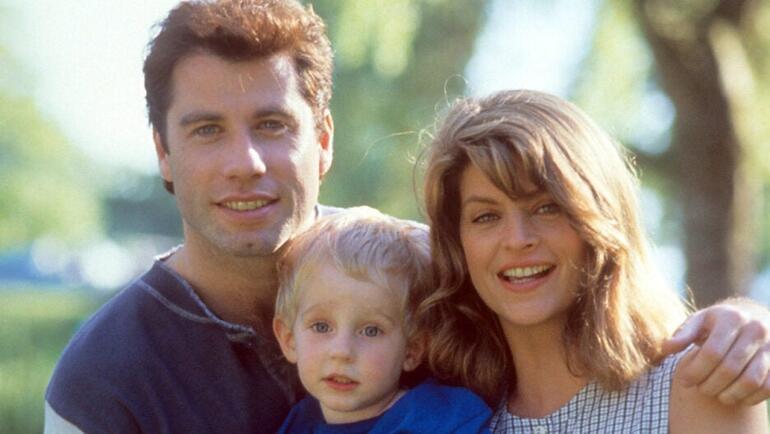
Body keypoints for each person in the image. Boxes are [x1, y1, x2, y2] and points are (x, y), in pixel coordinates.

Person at [44, 1, 770, 432]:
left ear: (323, 141)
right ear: (163, 153)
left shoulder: (423, 273)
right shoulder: (105, 378)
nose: (247, 163)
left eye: (272, 125)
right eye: (207, 131)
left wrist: (742, 318)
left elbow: (585, 299)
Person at [420, 89, 769, 432]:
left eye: (546, 208)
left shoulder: (701, 382)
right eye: (485, 216)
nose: (517, 239)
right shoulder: (441, 418)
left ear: (600, 218)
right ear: (456, 245)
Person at [272, 206, 491, 433]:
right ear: (289, 339)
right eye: (321, 327)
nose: (341, 351)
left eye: (371, 330)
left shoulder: (443, 421)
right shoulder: (298, 424)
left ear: (412, 350)